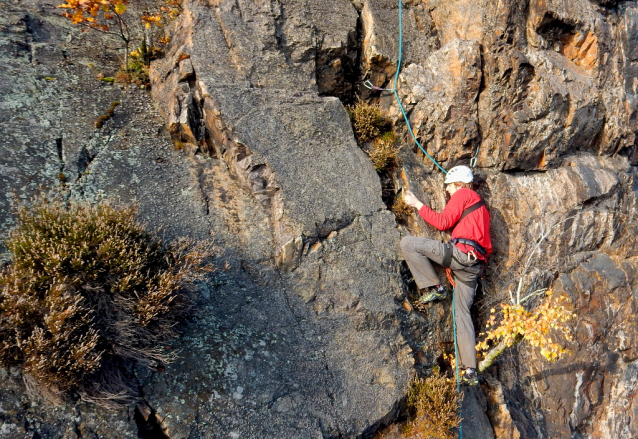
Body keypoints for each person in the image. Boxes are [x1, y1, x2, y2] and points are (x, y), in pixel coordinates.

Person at [400, 165, 491, 385]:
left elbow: (442, 223)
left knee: (408, 243)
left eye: (449, 186)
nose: (448, 191)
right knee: (462, 314)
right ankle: (470, 369)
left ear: (458, 184)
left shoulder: (463, 194)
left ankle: (435, 287)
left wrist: (416, 204)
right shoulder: (481, 209)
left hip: (460, 256)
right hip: (474, 267)